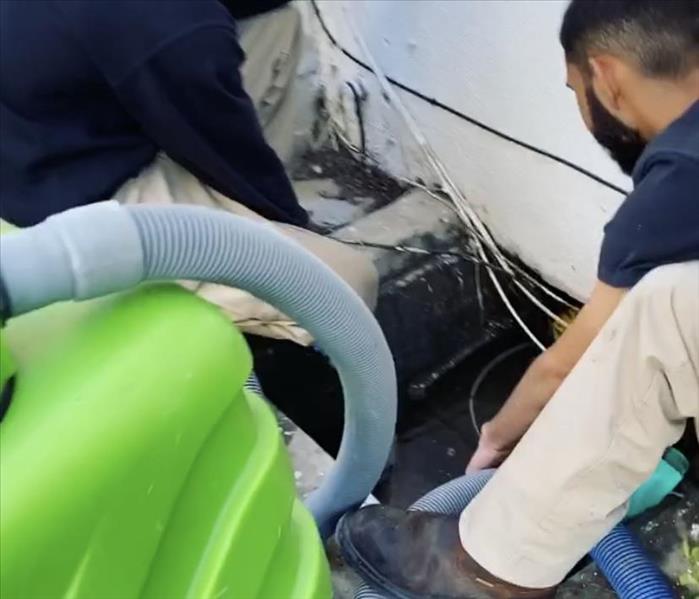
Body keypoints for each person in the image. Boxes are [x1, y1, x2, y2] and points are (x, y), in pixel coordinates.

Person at [337, 1, 699, 596]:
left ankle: (488, 569)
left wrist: (497, 438)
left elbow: (564, 365)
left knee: (667, 302)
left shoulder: (679, 181)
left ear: (605, 79)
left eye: (573, 88)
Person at [0, 0, 377, 345]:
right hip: (59, 206)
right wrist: (286, 225)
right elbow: (221, 144)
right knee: (347, 286)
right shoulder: (164, 20)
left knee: (277, 24)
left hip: (56, 128)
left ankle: (236, 231)